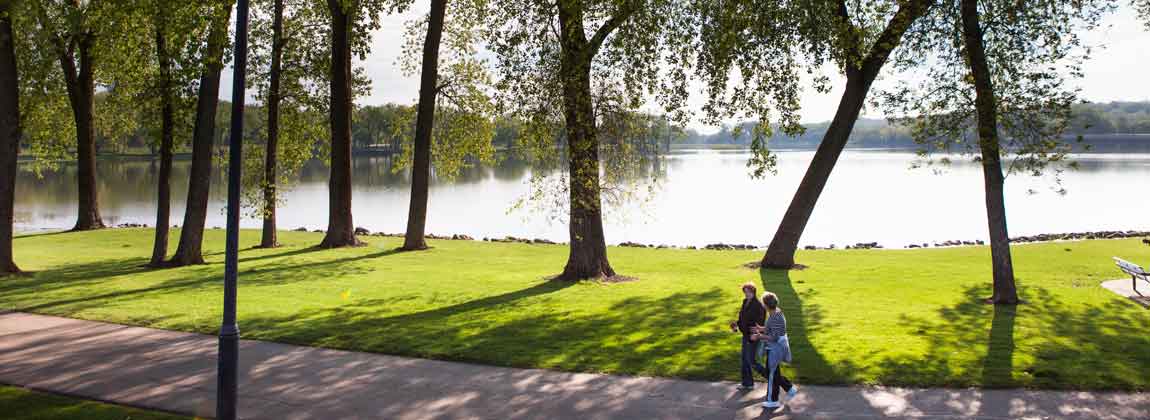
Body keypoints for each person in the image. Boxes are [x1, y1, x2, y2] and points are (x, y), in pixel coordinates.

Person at [751, 292, 797, 409]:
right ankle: (789, 388)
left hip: (776, 348)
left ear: (766, 305)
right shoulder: (775, 312)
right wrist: (761, 329)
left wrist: (759, 336)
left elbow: (774, 337)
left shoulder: (775, 316)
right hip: (774, 347)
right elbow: (771, 328)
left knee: (771, 373)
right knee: (774, 372)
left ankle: (772, 400)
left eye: (763, 303)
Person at [729, 282, 768, 391]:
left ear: (753, 292)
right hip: (746, 335)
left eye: (749, 292)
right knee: (744, 360)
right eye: (745, 292)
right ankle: (747, 383)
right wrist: (736, 324)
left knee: (752, 361)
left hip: (753, 337)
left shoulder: (758, 305)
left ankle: (773, 378)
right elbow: (743, 318)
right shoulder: (745, 302)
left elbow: (760, 322)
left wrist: (755, 334)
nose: (747, 294)